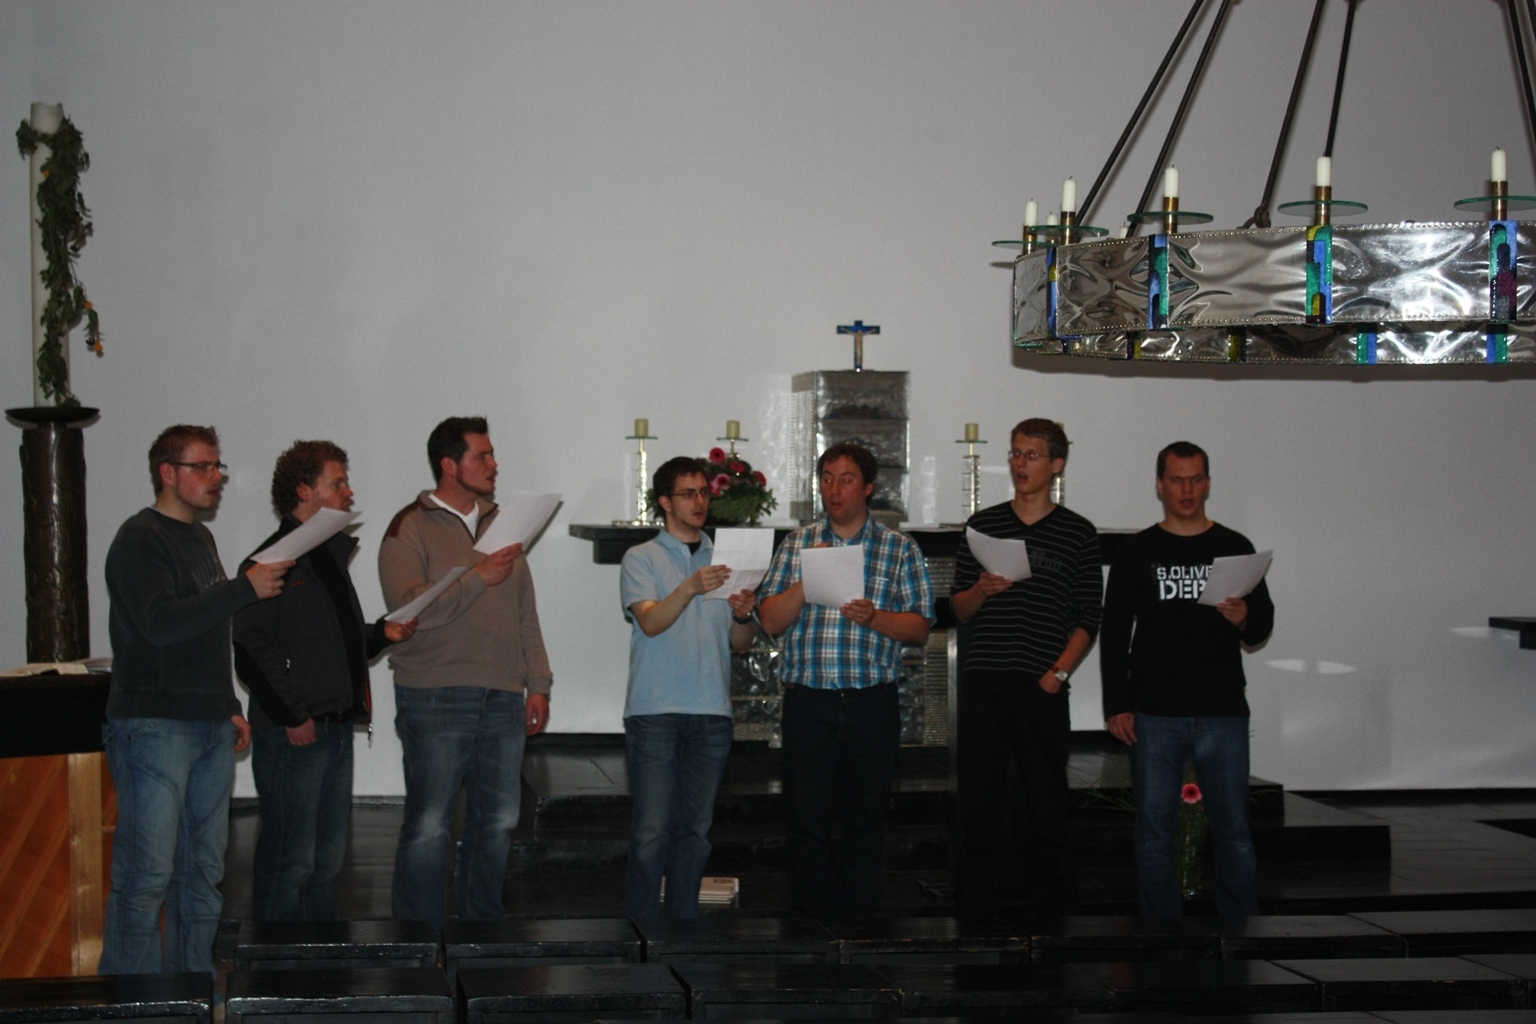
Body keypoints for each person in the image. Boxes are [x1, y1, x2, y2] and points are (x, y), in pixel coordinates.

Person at [100, 425, 291, 975]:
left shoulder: (200, 540)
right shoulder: (139, 539)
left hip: (207, 723)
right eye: (202, 467)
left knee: (202, 875)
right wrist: (243, 587)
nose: (216, 477)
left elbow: (208, 633)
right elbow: (160, 624)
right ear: (168, 472)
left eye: (217, 466)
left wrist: (227, 703)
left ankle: (191, 994)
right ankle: (135, 1004)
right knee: (146, 876)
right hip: (153, 725)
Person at [378, 416, 553, 923]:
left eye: (492, 454)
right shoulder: (408, 527)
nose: (494, 464)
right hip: (435, 694)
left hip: (503, 693)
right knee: (430, 825)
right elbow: (410, 612)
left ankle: (482, 933)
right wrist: (478, 576)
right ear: (450, 465)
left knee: (498, 821)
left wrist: (538, 682)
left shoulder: (505, 525)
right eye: (482, 456)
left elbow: (524, 610)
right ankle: (420, 939)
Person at [234, 441, 418, 922]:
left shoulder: (325, 558)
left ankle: (318, 957)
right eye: (337, 483)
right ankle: (276, 961)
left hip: (334, 728)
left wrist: (380, 634)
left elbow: (327, 640)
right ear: (304, 491)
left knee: (326, 861)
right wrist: (292, 715)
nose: (348, 491)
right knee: (290, 861)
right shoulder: (269, 562)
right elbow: (251, 648)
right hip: (294, 734)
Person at [758, 442, 933, 919]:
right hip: (809, 701)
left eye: (847, 479)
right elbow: (769, 621)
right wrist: (808, 577)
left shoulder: (899, 548)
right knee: (805, 816)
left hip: (870, 701)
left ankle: (858, 918)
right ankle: (807, 918)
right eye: (827, 479)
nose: (834, 490)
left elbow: (919, 627)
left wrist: (875, 617)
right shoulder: (797, 544)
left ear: (869, 487)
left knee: (866, 815)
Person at [1100, 440, 1275, 918]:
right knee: (1154, 833)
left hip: (1222, 710)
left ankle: (1238, 932)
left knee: (1234, 833)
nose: (1187, 489)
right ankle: (1162, 935)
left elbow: (1261, 625)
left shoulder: (1234, 547)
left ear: (1208, 484)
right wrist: (1117, 704)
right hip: (1154, 713)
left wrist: (1243, 617)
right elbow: (1114, 632)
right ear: (1160, 485)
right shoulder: (1137, 551)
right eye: (1177, 480)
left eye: (1196, 479)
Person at [950, 418, 1101, 917]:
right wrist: (980, 590)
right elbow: (958, 609)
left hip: (1042, 683)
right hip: (985, 681)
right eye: (1015, 453)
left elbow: (1088, 616)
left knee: (1046, 803)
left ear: (1057, 464)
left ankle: (1055, 914)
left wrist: (1058, 674)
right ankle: (975, 912)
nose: (1020, 464)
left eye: (1031, 455)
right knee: (979, 804)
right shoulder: (983, 526)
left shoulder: (1078, 532)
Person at [619, 456, 758, 918]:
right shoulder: (641, 557)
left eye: (703, 492)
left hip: (712, 710)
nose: (699, 501)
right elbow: (651, 621)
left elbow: (740, 644)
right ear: (665, 502)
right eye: (688, 493)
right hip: (655, 710)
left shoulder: (725, 559)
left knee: (695, 831)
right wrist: (690, 587)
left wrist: (742, 615)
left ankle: (683, 926)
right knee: (652, 831)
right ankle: (640, 930)